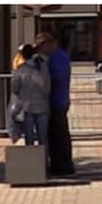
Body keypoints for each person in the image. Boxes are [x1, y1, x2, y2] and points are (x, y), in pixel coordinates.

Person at [34, 33, 74, 176]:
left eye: (41, 46)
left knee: (59, 134)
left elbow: (56, 79)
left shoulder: (58, 58)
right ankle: (58, 163)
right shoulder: (56, 57)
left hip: (57, 101)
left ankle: (63, 164)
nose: (41, 50)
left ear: (50, 44)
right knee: (54, 134)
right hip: (56, 101)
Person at [10, 44, 51, 151]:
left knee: (29, 138)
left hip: (27, 107)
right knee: (43, 138)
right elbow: (47, 87)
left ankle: (32, 164)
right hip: (42, 106)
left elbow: (15, 88)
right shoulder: (44, 66)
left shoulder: (21, 69)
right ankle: (44, 163)